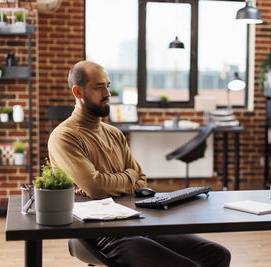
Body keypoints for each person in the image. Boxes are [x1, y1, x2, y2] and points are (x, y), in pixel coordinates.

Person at [48, 60, 231, 267]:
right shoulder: (64, 136)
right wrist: (126, 178)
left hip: (135, 219)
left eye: (108, 86)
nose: (107, 94)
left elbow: (141, 180)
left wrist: (114, 183)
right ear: (78, 92)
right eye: (99, 88)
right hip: (99, 232)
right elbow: (96, 187)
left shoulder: (114, 134)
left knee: (218, 255)